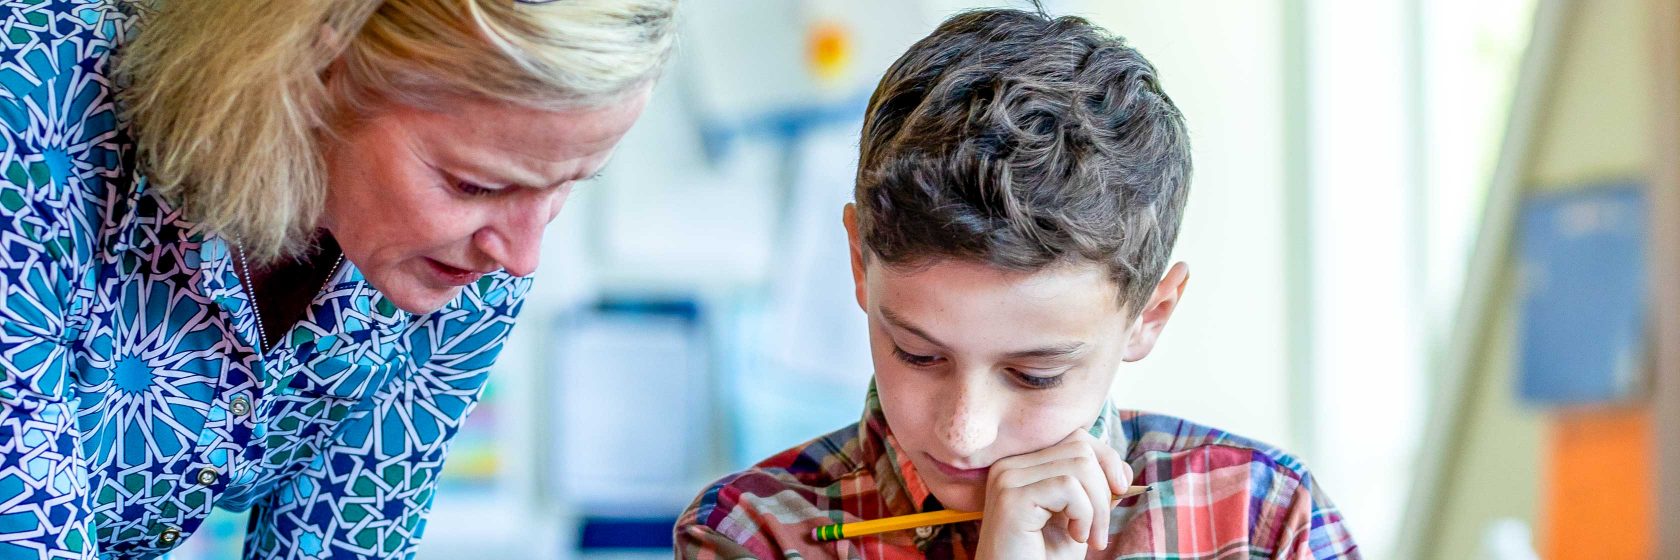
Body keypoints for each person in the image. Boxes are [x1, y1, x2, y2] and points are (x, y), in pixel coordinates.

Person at [675, 8, 1360, 559]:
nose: (964, 433)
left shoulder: (1266, 519)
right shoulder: (752, 534)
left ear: (1151, 314)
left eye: (1035, 373)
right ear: (858, 262)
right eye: (918, 354)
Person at [0, 0, 674, 557]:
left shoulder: (466, 258)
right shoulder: (29, 108)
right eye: (476, 184)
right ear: (314, 68)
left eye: (568, 184)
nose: (521, 256)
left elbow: (349, 544)